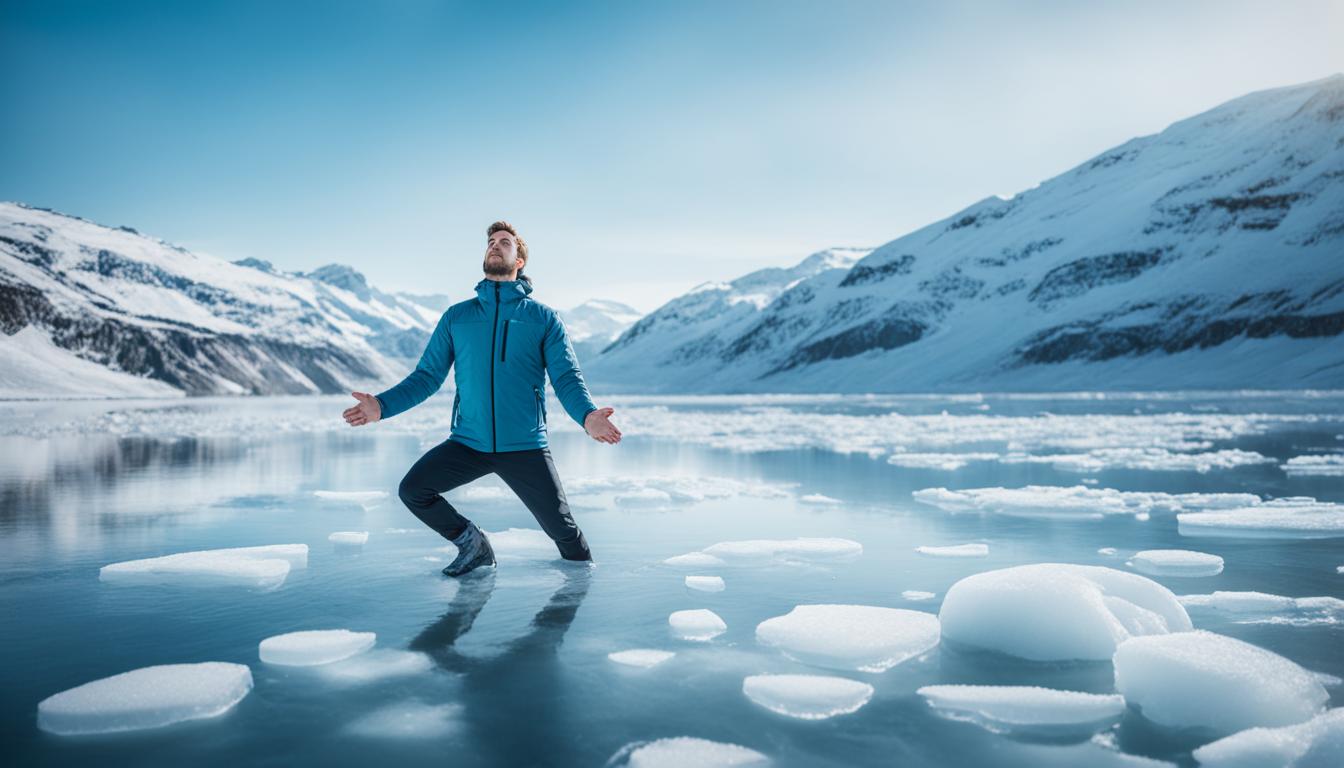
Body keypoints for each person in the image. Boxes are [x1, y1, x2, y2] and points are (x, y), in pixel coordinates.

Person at [341, 221, 621, 577]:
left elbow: (565, 377)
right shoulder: (457, 317)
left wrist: (587, 416)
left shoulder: (544, 319)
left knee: (564, 532)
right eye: (491, 241)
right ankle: (472, 544)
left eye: (504, 242)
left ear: (519, 260)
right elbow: (427, 377)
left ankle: (581, 588)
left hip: (524, 446)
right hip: (468, 443)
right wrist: (382, 406)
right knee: (414, 490)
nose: (495, 246)